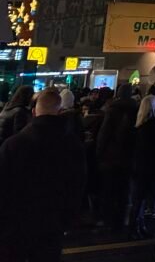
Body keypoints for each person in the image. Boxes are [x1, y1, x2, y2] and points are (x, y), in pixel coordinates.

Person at [0, 88, 87, 261]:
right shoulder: (73, 146)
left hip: (15, 223)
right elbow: (77, 186)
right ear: (60, 111)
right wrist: (68, 219)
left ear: (33, 112)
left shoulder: (14, 145)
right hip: (52, 223)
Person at [96, 84, 138, 234]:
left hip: (111, 156)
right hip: (128, 157)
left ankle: (108, 220)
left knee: (108, 189)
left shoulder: (113, 109)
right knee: (124, 190)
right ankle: (120, 220)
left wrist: (99, 153)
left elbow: (104, 133)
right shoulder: (136, 109)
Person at [129, 95, 155, 238]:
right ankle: (137, 226)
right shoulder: (154, 126)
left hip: (138, 167)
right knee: (141, 198)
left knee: (138, 198)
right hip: (149, 167)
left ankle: (137, 224)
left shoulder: (138, 127)